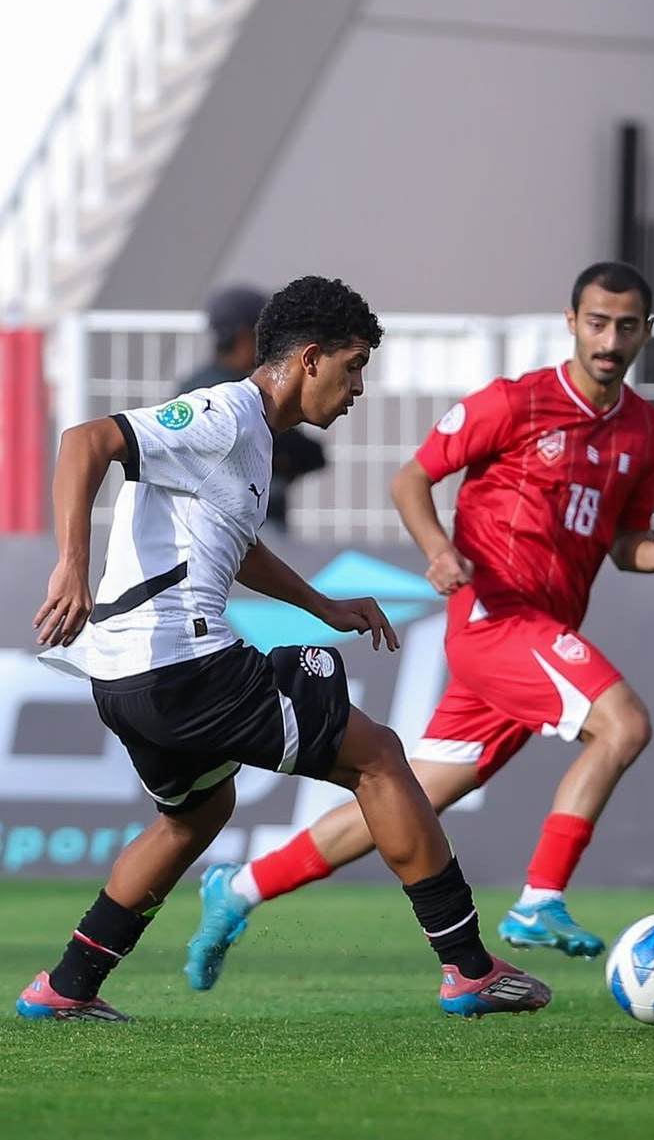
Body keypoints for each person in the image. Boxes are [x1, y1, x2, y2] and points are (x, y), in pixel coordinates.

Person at [15, 275, 550, 1022]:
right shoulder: (226, 412)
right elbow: (87, 441)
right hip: (181, 661)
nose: (359, 386)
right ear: (308, 359)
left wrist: (323, 605)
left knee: (197, 813)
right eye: (354, 363)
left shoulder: (255, 439)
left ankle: (67, 986)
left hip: (127, 677)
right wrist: (72, 560)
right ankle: (467, 966)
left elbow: (237, 544)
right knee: (380, 757)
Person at [184, 259, 654, 990]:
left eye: (624, 326)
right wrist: (439, 550)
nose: (609, 339)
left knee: (404, 799)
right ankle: (539, 901)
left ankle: (239, 889)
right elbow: (412, 478)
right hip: (496, 618)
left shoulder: (647, 431)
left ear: (645, 333)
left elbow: (623, 542)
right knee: (624, 725)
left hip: (539, 635)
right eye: (596, 322)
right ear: (571, 322)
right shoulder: (515, 402)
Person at [179, 283, 327, 533]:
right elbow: (308, 453)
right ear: (245, 334)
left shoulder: (190, 387)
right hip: (252, 527)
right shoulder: (248, 395)